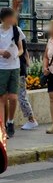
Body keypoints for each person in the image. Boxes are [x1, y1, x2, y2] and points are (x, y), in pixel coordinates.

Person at [0, 8, 23, 138]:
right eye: (12, 17)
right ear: (5, 18)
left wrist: (16, 54)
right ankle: (2, 127)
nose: (14, 19)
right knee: (2, 98)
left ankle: (11, 121)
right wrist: (2, 52)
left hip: (14, 66)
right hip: (1, 67)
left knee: (13, 98)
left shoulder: (16, 30)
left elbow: (21, 49)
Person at [16, 27, 38, 130]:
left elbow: (23, 50)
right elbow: (25, 51)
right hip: (19, 67)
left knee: (21, 96)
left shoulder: (15, 30)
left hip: (17, 68)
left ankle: (31, 119)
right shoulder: (16, 30)